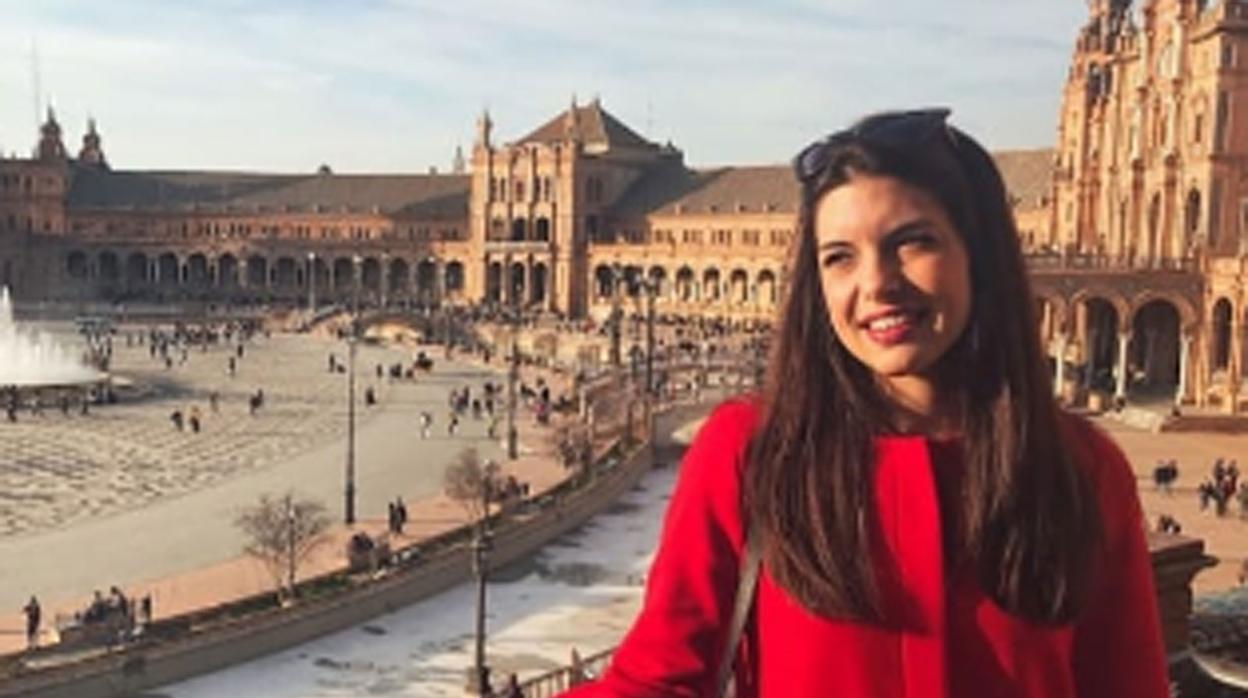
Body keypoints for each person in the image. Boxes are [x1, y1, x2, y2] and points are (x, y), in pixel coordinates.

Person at [558, 110, 1167, 697]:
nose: (876, 284)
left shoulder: (1082, 469)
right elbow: (659, 680)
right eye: (839, 257)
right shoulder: (751, 452)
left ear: (978, 254)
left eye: (912, 242)